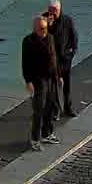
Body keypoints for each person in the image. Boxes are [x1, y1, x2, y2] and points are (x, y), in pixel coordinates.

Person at [22, 16, 59, 149]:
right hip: (38, 80)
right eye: (42, 29)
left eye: (45, 28)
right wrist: (28, 82)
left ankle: (47, 133)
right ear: (35, 29)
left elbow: (53, 57)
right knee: (39, 110)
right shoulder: (28, 41)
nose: (44, 31)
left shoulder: (50, 37)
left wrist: (57, 76)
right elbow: (25, 63)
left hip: (50, 78)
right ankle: (35, 139)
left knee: (50, 107)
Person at [45, 0, 79, 118]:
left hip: (65, 59)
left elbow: (74, 37)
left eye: (55, 10)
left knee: (67, 85)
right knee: (53, 86)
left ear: (59, 9)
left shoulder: (67, 20)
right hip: (52, 60)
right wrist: (49, 26)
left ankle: (68, 108)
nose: (52, 13)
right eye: (50, 10)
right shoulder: (44, 20)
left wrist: (72, 52)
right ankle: (56, 110)